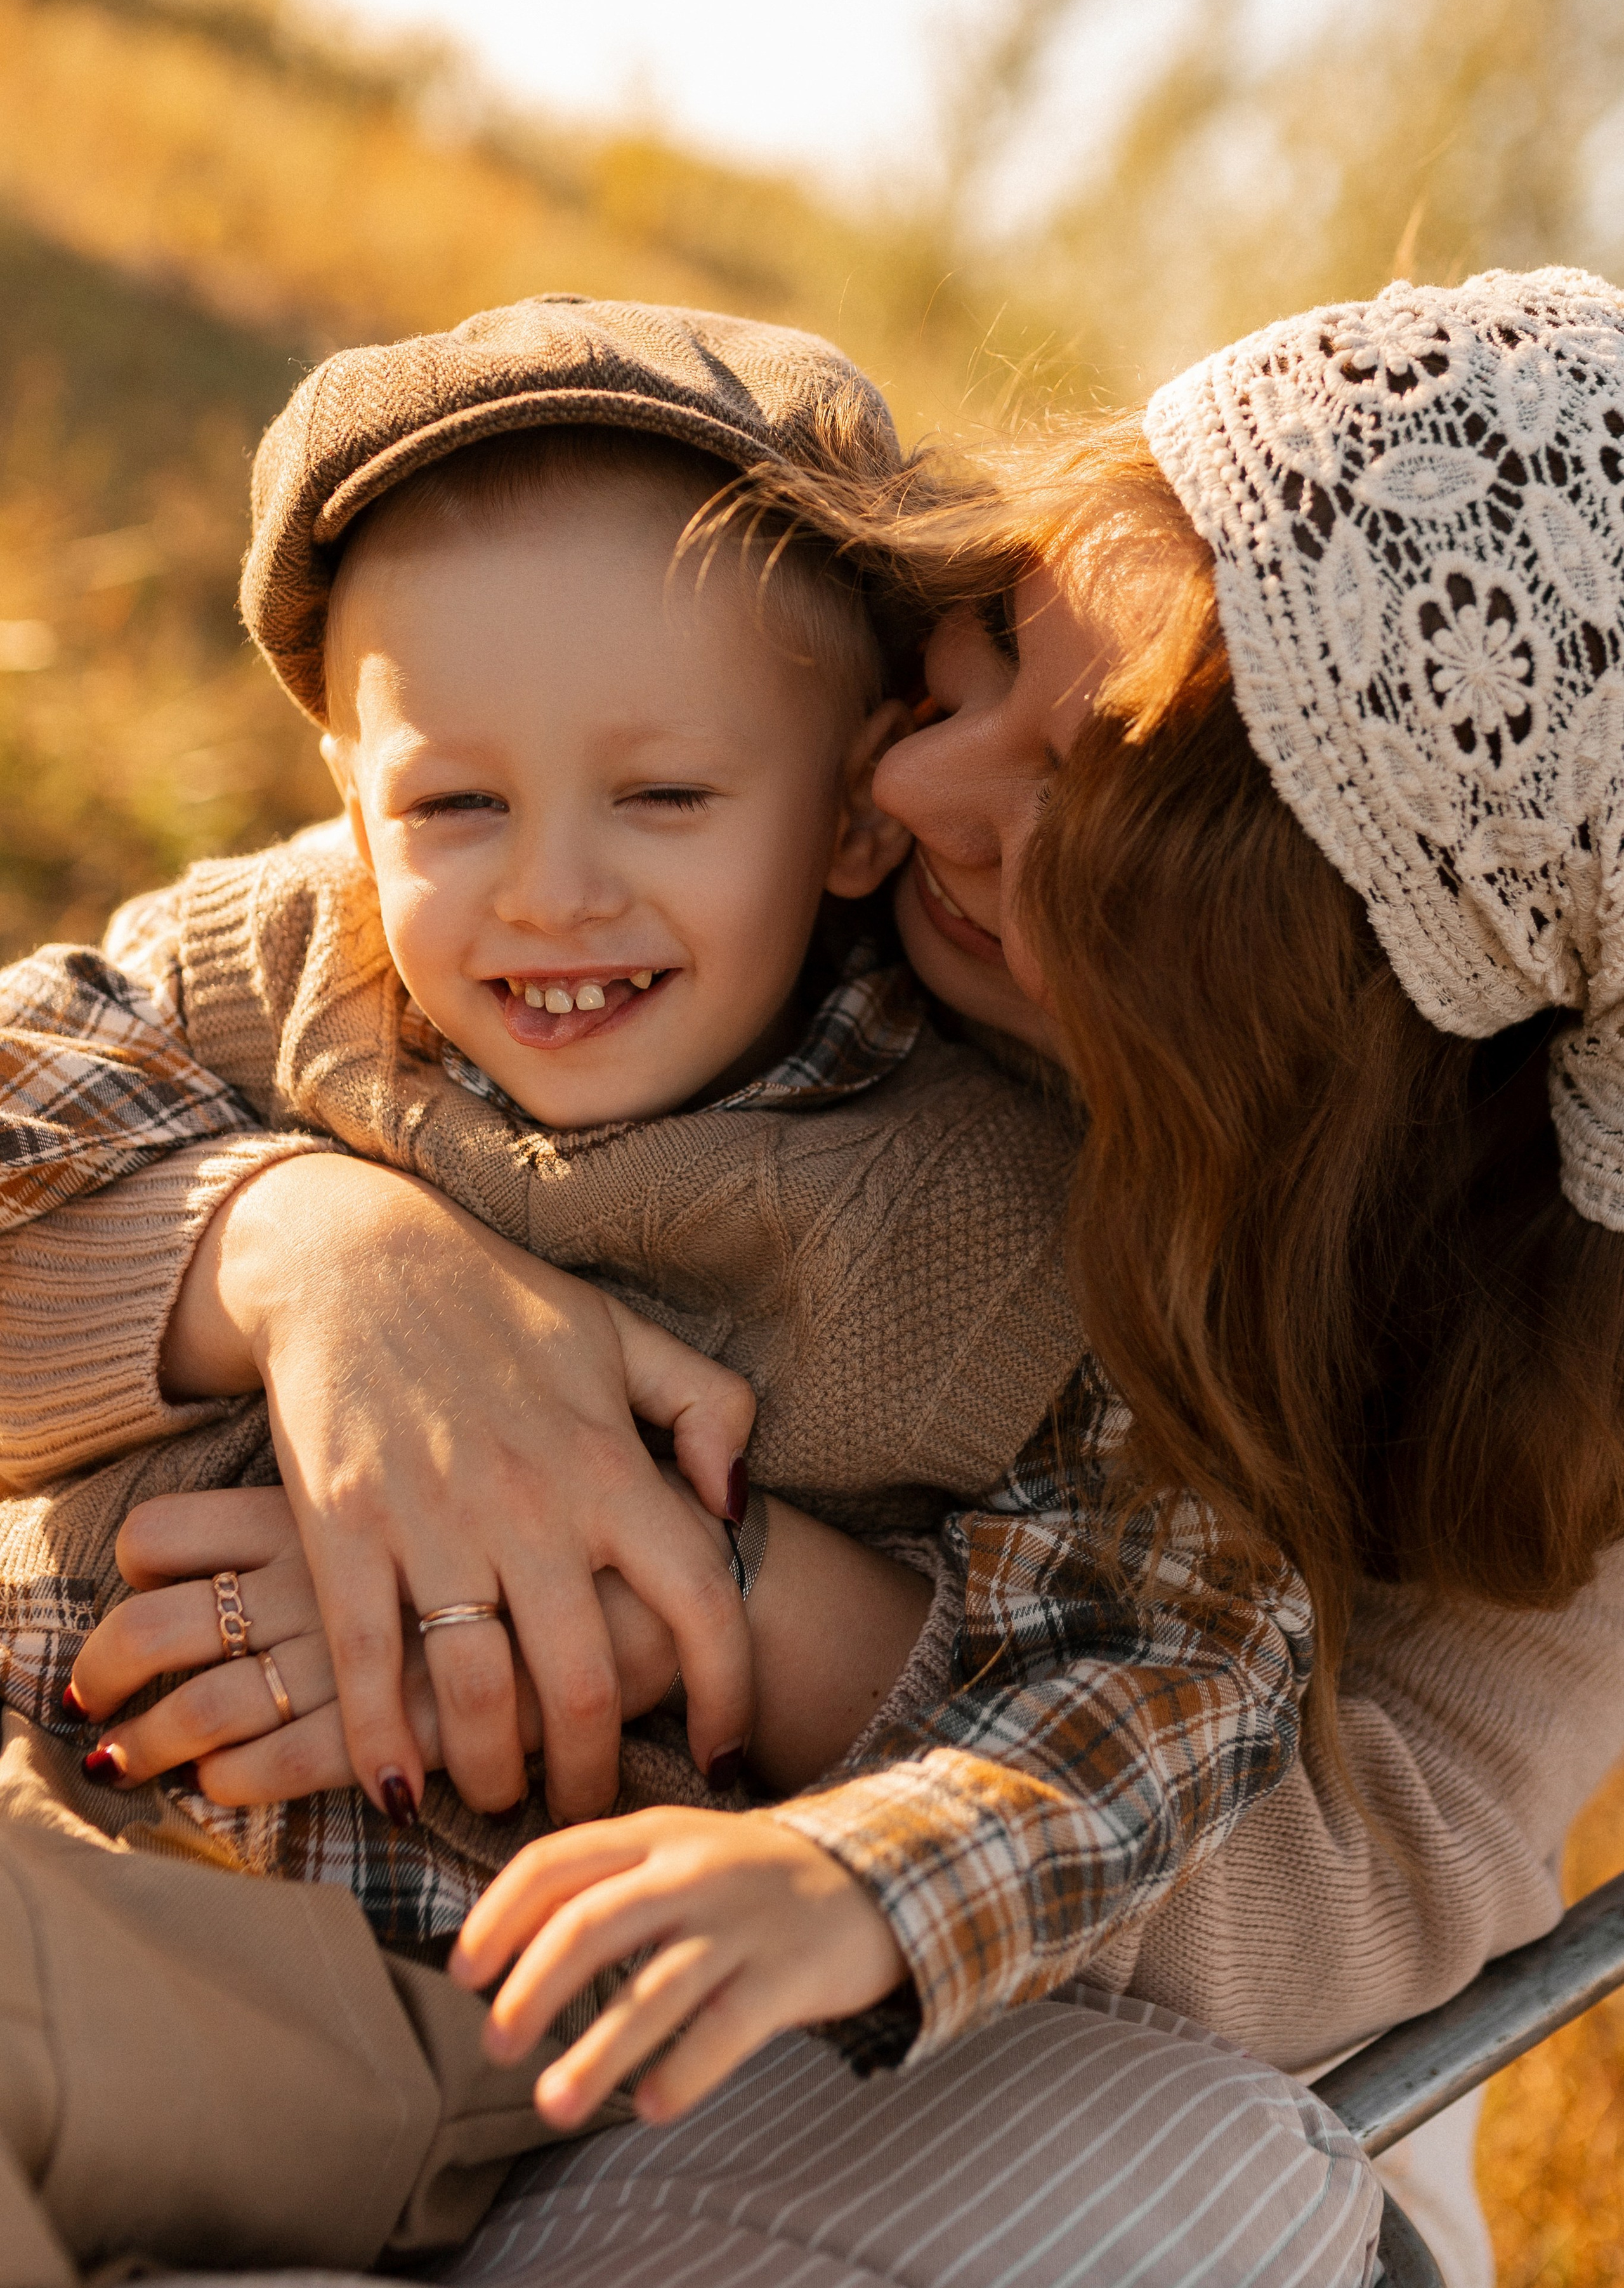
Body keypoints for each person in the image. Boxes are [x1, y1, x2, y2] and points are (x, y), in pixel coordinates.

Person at [0, 298, 1374, 2287]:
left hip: (367, 1963)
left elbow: (1170, 1668)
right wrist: (279, 1229)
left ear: (845, 813)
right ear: (346, 776)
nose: (550, 890)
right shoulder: (301, 945)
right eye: (453, 805)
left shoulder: (1004, 1226)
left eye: (664, 800)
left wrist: (858, 1872)